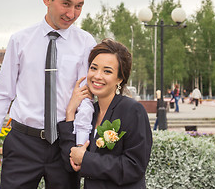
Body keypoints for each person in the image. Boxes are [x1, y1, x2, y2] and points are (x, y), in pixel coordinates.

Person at [0, 0, 96, 189]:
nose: (72, 13)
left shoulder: (86, 43)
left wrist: (80, 144)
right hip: (23, 143)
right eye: (66, 3)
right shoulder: (20, 41)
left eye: (79, 5)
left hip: (64, 143)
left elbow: (86, 99)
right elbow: (2, 94)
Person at [58, 39, 152, 188]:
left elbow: (134, 167)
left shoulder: (132, 110)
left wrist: (86, 159)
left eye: (107, 71)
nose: (97, 76)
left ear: (120, 78)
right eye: (93, 68)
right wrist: (70, 112)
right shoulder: (89, 112)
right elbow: (71, 162)